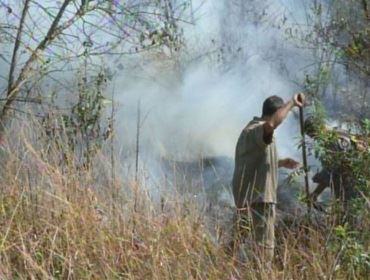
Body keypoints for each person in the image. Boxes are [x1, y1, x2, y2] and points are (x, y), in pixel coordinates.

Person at [232, 93, 304, 264]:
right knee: (264, 252)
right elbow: (272, 124)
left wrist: (280, 163)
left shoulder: (250, 132)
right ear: (276, 113)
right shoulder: (257, 129)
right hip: (260, 200)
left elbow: (254, 161)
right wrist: (292, 103)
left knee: (241, 248)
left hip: (249, 199)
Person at [304, 116, 367, 222]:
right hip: (356, 183)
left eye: (313, 136)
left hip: (351, 187)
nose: (314, 139)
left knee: (352, 220)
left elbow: (331, 171)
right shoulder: (339, 132)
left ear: (318, 129)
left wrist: (315, 194)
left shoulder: (333, 141)